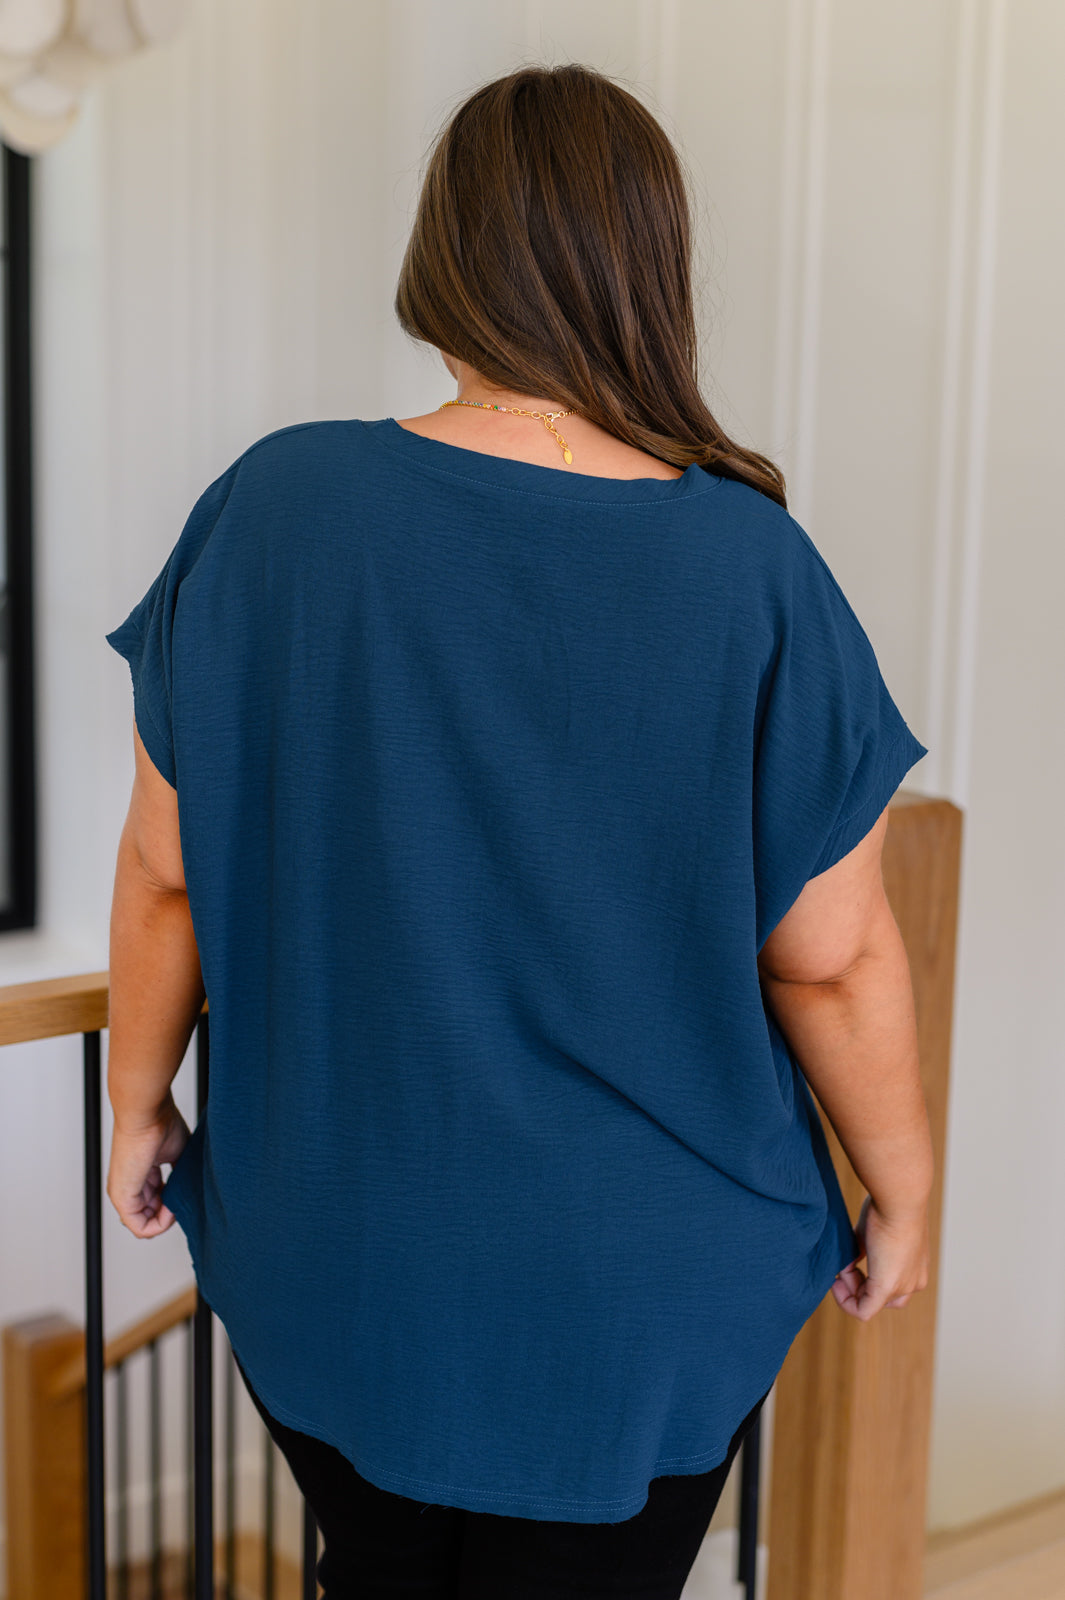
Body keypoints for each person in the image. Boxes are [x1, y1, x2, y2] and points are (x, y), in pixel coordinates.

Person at [104, 62, 933, 1600]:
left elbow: (168, 880)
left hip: (336, 1250)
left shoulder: (273, 507)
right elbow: (829, 961)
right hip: (640, 1289)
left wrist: (138, 1098)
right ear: (648, 269)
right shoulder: (751, 569)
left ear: (443, 262)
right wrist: (903, 1189)